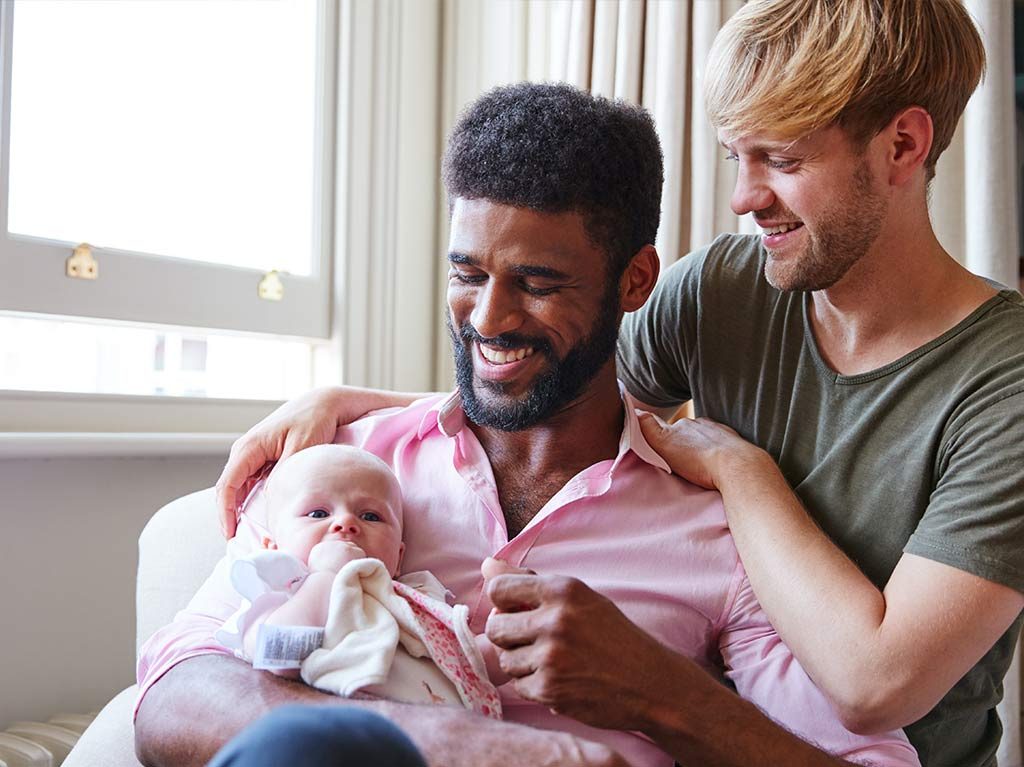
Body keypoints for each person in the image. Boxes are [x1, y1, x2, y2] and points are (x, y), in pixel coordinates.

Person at [210, 2, 1024, 766]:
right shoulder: (730, 290)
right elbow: (561, 380)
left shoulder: (1004, 381)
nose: (744, 199)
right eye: (738, 158)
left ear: (903, 147)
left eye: (782, 160)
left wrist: (741, 471)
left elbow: (876, 684)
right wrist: (356, 407)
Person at [214, 444, 499, 715]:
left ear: (398, 558)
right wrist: (326, 576)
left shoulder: (415, 597)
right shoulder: (279, 591)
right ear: (272, 547)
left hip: (442, 741)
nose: (346, 523)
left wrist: (503, 640)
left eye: (371, 516)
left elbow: (464, 663)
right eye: (318, 513)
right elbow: (279, 657)